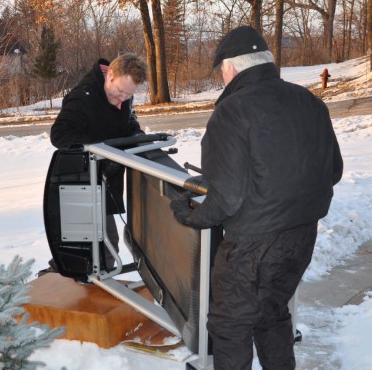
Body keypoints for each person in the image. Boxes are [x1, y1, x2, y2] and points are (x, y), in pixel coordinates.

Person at [170, 26, 343, 370]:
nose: (222, 78)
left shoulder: (232, 111)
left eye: (221, 71)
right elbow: (333, 170)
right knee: (273, 314)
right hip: (302, 236)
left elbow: (228, 198)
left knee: (230, 326)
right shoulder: (310, 101)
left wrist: (190, 215)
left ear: (231, 67)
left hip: (252, 247)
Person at [50, 53, 148, 271]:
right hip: (83, 182)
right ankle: (63, 285)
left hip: (104, 181)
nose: (123, 98)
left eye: (128, 95)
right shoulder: (83, 97)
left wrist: (138, 137)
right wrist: (101, 150)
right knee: (98, 248)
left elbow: (128, 123)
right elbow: (59, 135)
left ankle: (66, 280)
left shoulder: (121, 94)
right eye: (120, 91)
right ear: (110, 75)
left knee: (94, 247)